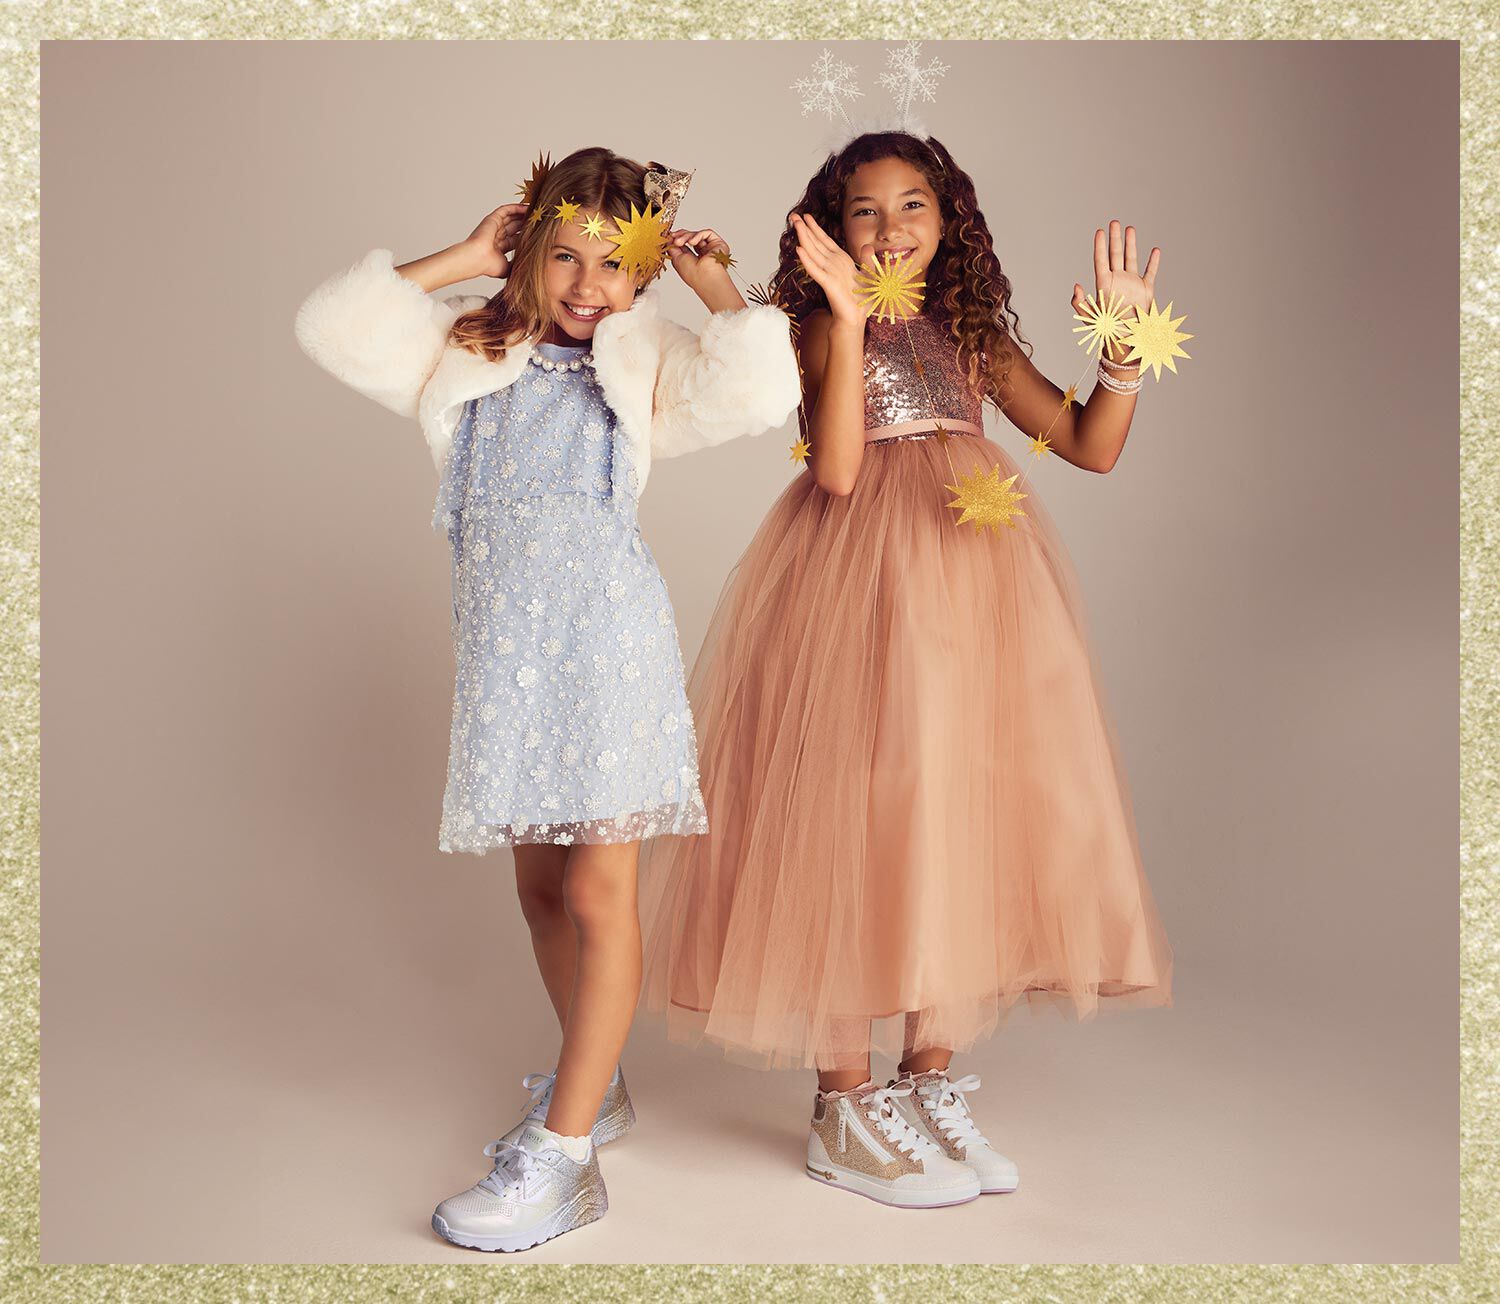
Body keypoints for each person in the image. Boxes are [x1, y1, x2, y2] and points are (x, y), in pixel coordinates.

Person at [639, 130, 1173, 1209]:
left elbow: (1087, 443)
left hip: (974, 582)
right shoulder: (819, 329)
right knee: (849, 807)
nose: (890, 227)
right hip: (858, 577)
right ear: (836, 230)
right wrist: (835, 318)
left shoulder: (968, 333)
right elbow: (836, 471)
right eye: (867, 210)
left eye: (913, 204)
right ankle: (844, 1101)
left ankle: (925, 1078)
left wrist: (1120, 355)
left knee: (955, 800)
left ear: (951, 219)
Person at [294, 145, 800, 1250]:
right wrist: (465, 257)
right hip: (506, 659)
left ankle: (564, 1155)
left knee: (600, 894)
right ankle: (597, 1077)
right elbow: (331, 327)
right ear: (527, 249)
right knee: (538, 889)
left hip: (607, 649)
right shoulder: (471, 348)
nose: (584, 284)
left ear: (641, 278)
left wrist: (715, 285)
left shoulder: (643, 361)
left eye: (613, 265)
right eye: (561, 256)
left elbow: (764, 387)